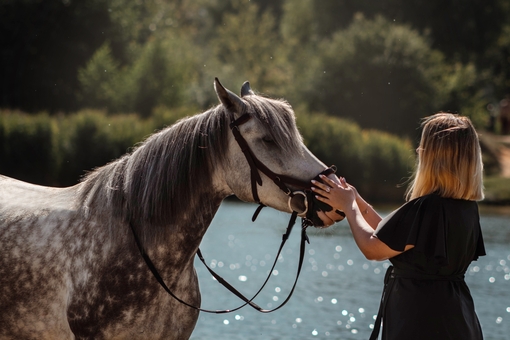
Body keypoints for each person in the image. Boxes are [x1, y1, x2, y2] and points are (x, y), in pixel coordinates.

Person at [312, 112, 485, 340]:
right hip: (458, 320)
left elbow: (373, 248)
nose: (417, 152)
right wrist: (358, 202)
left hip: (422, 323)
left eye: (422, 147)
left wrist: (349, 207)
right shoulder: (465, 209)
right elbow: (393, 236)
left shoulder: (426, 207)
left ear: (434, 158)